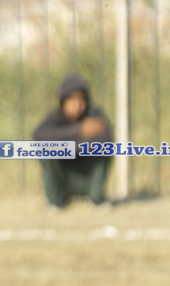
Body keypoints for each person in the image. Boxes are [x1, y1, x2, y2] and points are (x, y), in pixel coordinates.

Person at [32, 73, 114, 209]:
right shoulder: (55, 118)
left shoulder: (94, 116)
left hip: (88, 180)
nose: (77, 105)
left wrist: (64, 144)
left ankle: (97, 197)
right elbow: (38, 135)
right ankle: (56, 200)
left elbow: (106, 139)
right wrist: (78, 132)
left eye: (81, 99)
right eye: (71, 99)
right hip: (63, 179)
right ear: (63, 102)